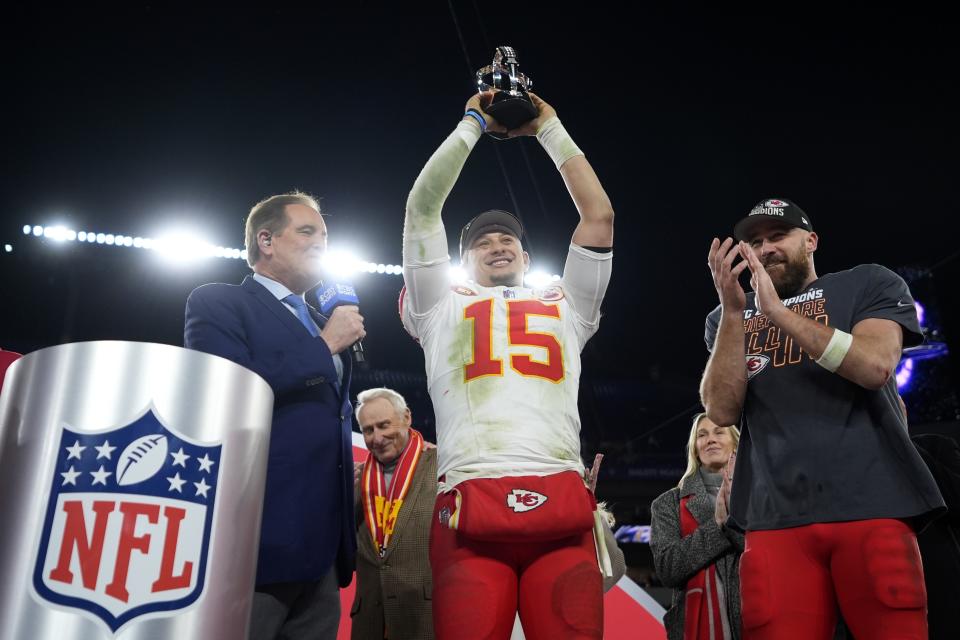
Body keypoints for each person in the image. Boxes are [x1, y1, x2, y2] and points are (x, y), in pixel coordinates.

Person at [400, 90, 614, 639]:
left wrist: (549, 126)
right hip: (470, 497)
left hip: (560, 499)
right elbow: (422, 207)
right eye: (483, 242)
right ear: (462, 259)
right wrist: (472, 122)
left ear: (526, 255)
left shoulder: (566, 305)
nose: (498, 246)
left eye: (509, 240)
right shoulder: (439, 305)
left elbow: (599, 215)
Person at [700, 197, 945, 639]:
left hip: (873, 502)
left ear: (811, 240)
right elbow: (720, 409)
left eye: (779, 236)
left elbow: (874, 367)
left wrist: (777, 313)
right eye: (754, 242)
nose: (766, 248)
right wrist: (737, 312)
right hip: (774, 516)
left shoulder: (867, 283)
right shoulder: (727, 315)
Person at [184, 191, 365, 640]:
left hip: (323, 547)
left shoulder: (322, 317)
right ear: (265, 239)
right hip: (257, 538)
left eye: (325, 234)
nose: (321, 241)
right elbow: (225, 391)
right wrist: (324, 346)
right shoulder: (218, 302)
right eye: (307, 231)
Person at [351, 387, 437, 640]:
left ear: (407, 417)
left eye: (384, 425)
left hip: (422, 614)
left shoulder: (440, 465)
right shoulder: (356, 479)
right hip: (369, 619)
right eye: (368, 430)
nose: (377, 438)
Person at [650, 413, 742, 640]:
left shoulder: (761, 493)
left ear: (736, 444)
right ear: (695, 448)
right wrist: (717, 526)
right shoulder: (667, 503)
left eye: (719, 432)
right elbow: (668, 569)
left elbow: (767, 552)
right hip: (694, 627)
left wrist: (731, 524)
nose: (710, 439)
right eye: (702, 435)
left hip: (756, 616)